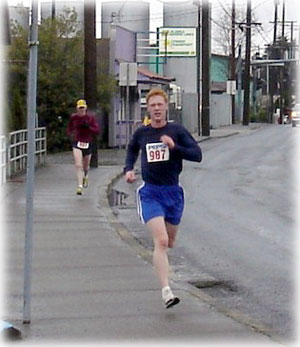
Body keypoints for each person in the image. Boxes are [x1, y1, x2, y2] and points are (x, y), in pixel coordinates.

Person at [124, 88, 202, 308]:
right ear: (148, 108)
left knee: (170, 241)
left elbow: (197, 155)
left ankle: (164, 270)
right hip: (150, 192)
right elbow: (131, 150)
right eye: (153, 105)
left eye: (160, 105)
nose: (157, 109)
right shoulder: (142, 133)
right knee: (161, 241)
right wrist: (128, 169)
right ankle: (166, 291)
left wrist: (173, 147)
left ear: (166, 107)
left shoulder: (176, 130)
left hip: (173, 193)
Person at [67, 99, 99, 195]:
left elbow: (97, 130)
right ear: (77, 109)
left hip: (87, 142)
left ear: (86, 108)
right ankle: (80, 186)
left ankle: (85, 176)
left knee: (85, 166)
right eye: (79, 108)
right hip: (77, 142)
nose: (81, 110)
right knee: (78, 164)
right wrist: (70, 134)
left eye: (83, 108)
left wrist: (88, 127)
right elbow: (69, 128)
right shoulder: (74, 118)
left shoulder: (90, 118)